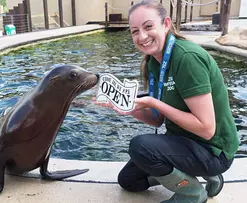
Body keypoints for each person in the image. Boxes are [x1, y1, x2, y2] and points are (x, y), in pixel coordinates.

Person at [93, 0, 239, 202]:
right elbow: (157, 120)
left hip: (213, 150)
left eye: (148, 26)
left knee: (140, 146)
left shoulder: (187, 58)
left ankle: (193, 192)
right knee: (128, 180)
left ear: (166, 24)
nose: (142, 36)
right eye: (134, 31)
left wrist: (154, 102)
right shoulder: (153, 62)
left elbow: (206, 129)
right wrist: (128, 108)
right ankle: (202, 177)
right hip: (185, 142)